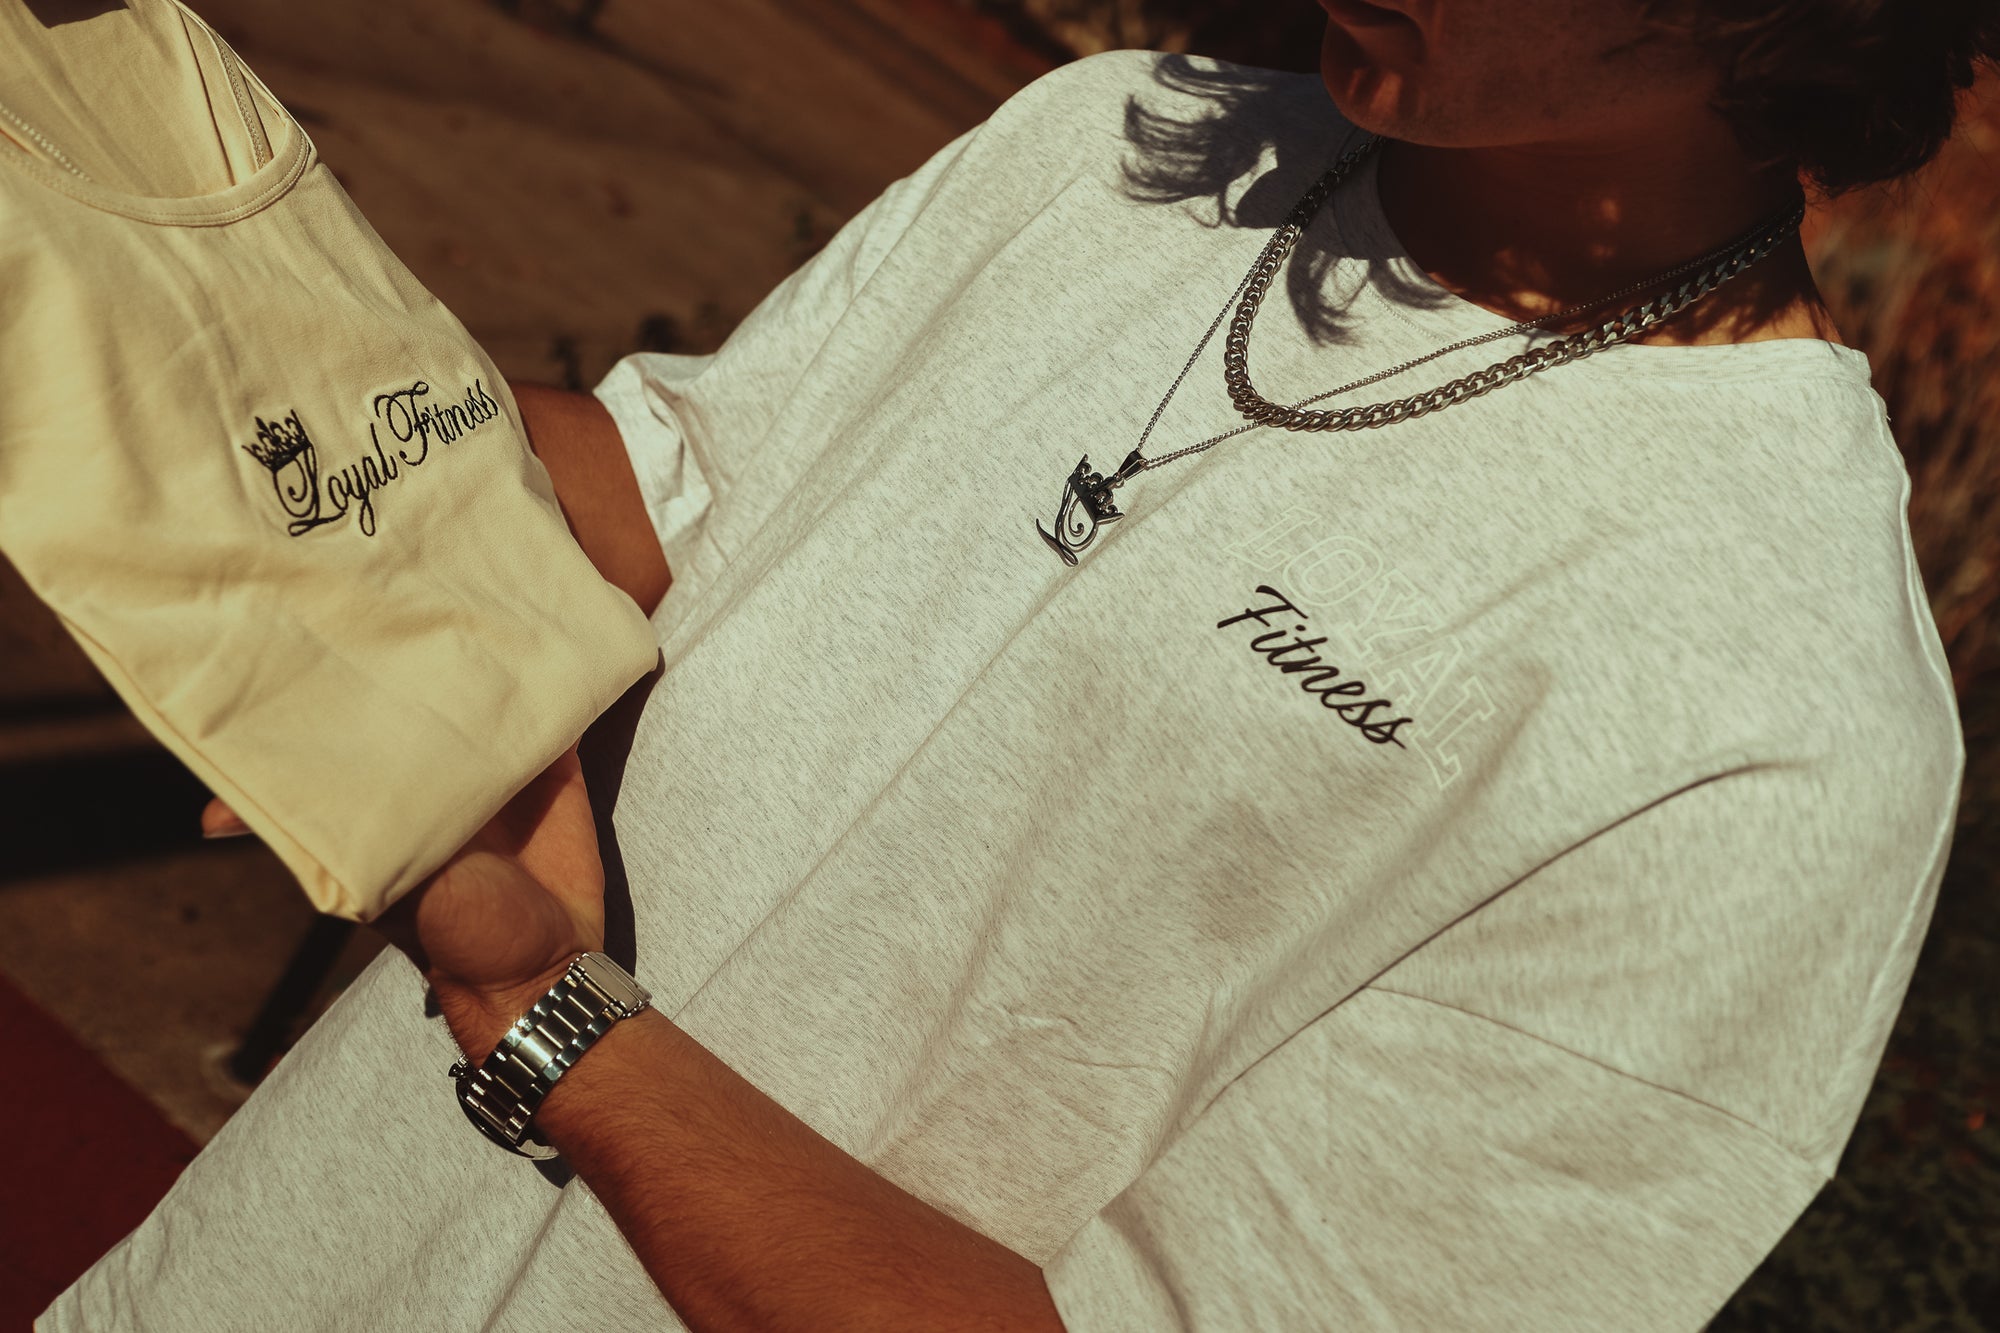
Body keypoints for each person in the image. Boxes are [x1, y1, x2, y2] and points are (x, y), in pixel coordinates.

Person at [40, 0, 1992, 1329]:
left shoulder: (1775, 718)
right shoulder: (1117, 135)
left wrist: (543, 1010)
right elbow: (669, 495)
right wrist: (183, 297)